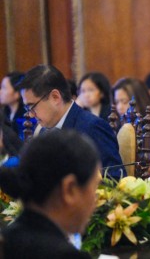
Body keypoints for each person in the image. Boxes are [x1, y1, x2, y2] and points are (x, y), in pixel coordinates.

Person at [0, 130, 100, 258]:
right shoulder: (65, 255)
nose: (95, 201)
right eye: (94, 187)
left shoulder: (6, 241)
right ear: (69, 189)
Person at [18, 64, 124, 179]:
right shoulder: (44, 132)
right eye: (27, 108)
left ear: (55, 97)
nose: (30, 114)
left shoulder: (91, 127)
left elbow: (116, 179)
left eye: (32, 106)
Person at [112, 77, 150, 172]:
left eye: (124, 102)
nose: (119, 107)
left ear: (139, 101)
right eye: (117, 102)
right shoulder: (118, 127)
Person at [0, 71, 26, 137]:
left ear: (17, 92)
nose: (1, 92)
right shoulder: (3, 113)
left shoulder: (27, 114)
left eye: (4, 88)